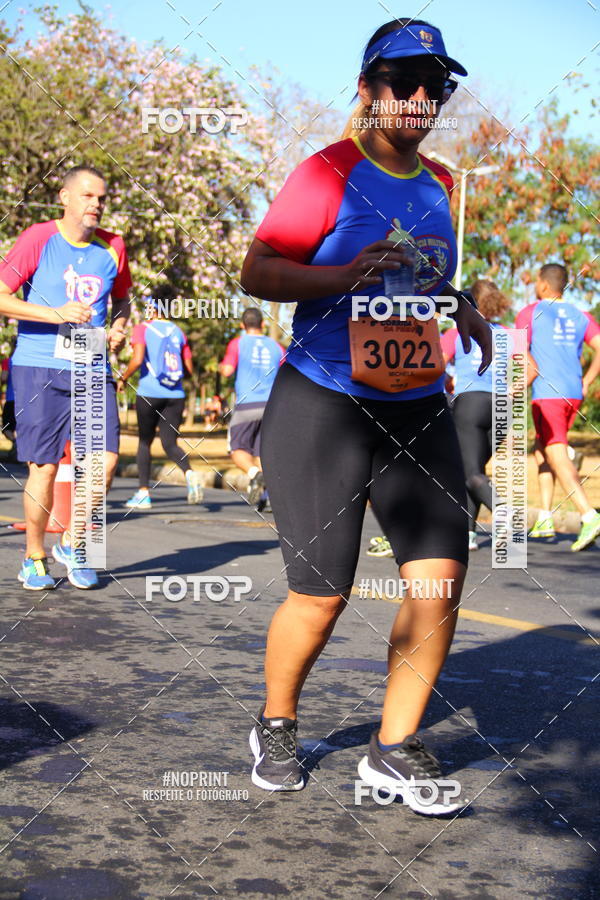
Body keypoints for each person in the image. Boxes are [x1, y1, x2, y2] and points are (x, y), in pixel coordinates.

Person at [240, 20, 492, 813]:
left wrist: (459, 306)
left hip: (418, 403)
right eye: (403, 81)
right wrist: (342, 273)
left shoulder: (442, 183)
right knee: (322, 593)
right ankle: (276, 722)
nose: (421, 98)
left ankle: (392, 748)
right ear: (368, 88)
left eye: (436, 86)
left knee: (440, 582)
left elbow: (420, 271)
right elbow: (259, 271)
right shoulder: (326, 172)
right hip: (324, 400)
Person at [0, 165, 130, 590]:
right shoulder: (39, 238)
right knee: (44, 468)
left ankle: (75, 542)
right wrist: (53, 314)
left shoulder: (113, 247)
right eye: (89, 196)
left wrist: (119, 326)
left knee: (104, 463)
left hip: (91, 364)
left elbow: (123, 300)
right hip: (39, 366)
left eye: (102, 199)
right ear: (65, 197)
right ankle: (35, 557)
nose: (97, 205)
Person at [516, 264, 600, 551]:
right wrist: (588, 380)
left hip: (547, 393)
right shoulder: (582, 315)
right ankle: (545, 517)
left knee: (555, 452)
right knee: (542, 448)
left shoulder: (530, 312)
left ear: (542, 285)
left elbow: (518, 351)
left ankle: (589, 516)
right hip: (572, 391)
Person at [442, 280, 511, 550]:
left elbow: (437, 361)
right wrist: (513, 388)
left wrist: (448, 383)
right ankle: (468, 534)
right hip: (501, 406)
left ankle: (504, 513)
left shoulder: (458, 331)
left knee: (470, 473)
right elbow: (529, 369)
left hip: (470, 403)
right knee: (474, 469)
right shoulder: (506, 333)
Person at [118, 297, 203, 508]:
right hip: (176, 395)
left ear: (152, 309)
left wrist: (123, 378)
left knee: (145, 442)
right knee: (170, 443)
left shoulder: (142, 328)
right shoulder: (178, 332)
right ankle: (190, 474)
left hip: (150, 392)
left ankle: (143, 494)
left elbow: (137, 360)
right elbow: (189, 368)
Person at [219, 307, 284, 508]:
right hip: (272, 405)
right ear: (263, 325)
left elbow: (228, 371)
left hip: (247, 404)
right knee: (260, 452)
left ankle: (255, 475)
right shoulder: (276, 346)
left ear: (242, 325)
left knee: (237, 448)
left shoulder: (238, 343)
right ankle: (268, 497)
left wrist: (222, 367)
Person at [1, 338, 17, 459]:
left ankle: (16, 445)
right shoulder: (30, 361)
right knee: (23, 427)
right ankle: (19, 450)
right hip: (30, 400)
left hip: (12, 399)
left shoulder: (8, 361)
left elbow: (4, 378)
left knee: (6, 428)